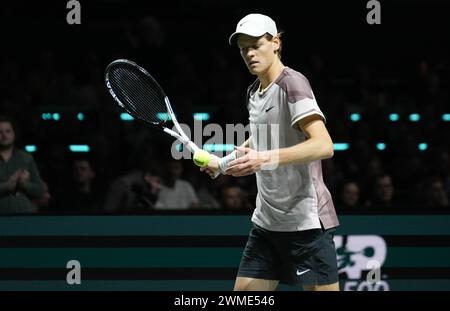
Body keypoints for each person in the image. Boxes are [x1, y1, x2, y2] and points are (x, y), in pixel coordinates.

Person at [202, 14, 339, 291]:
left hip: (306, 225)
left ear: (276, 42)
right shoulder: (255, 91)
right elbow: (262, 139)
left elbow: (324, 145)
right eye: (244, 49)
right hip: (266, 225)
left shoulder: (293, 84)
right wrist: (222, 164)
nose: (250, 53)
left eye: (256, 44)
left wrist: (264, 159)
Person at [0, 115, 45, 213]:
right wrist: (7, 186)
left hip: (22, 215)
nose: (4, 135)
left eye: (8, 131)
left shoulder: (25, 158)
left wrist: (24, 185)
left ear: (14, 133)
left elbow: (41, 190)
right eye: (0, 132)